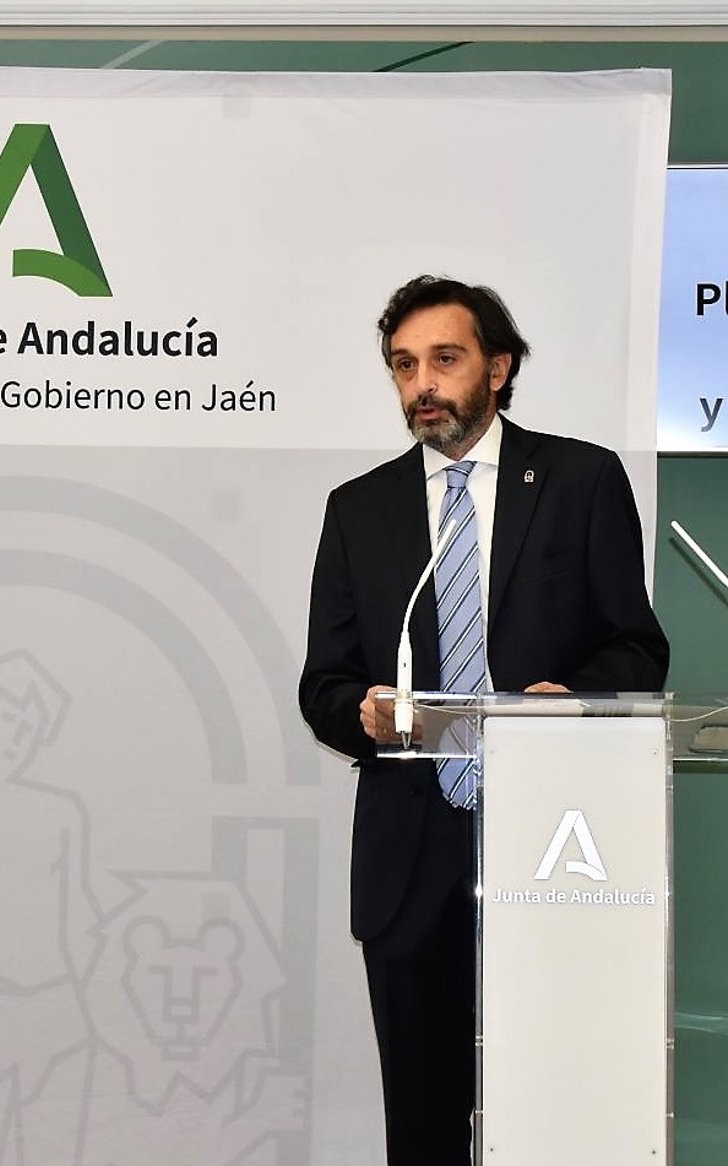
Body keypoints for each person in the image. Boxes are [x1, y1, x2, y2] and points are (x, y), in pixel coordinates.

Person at [298, 275, 669, 1165]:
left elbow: (636, 649)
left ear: (497, 370)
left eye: (444, 360)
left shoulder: (580, 481)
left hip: (556, 852)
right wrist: (364, 712)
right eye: (404, 366)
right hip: (410, 859)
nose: (422, 384)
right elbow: (324, 685)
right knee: (424, 1129)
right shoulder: (360, 509)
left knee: (553, 1120)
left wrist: (571, 699)